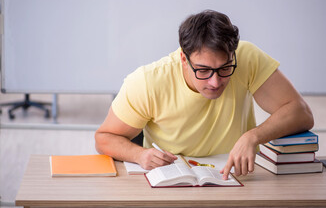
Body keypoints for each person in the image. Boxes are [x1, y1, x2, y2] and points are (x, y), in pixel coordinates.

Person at [95, 10, 314, 180]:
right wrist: (140, 155)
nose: (215, 82)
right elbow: (104, 138)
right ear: (183, 58)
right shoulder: (147, 81)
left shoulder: (247, 58)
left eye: (225, 68)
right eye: (203, 70)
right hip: (174, 180)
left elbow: (301, 113)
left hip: (240, 178)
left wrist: (252, 136)